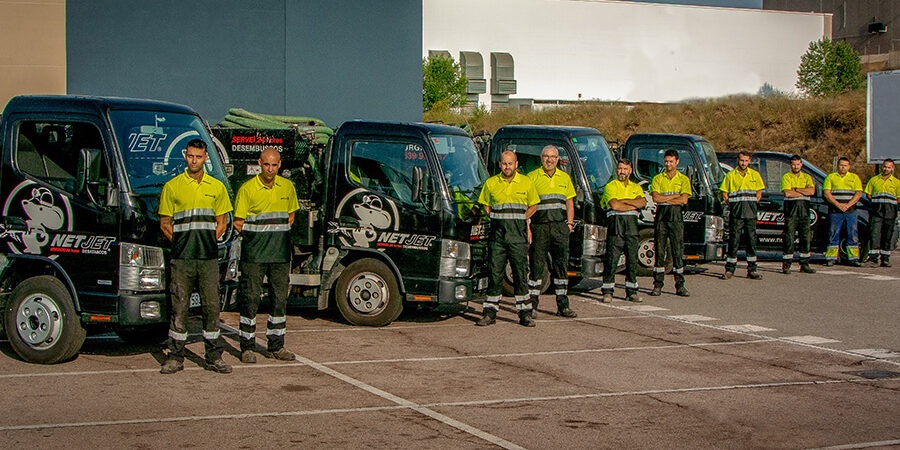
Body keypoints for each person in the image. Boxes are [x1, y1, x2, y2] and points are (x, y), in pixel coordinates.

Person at [158, 139, 233, 374]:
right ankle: (175, 356)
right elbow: (164, 224)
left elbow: (223, 222)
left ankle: (213, 356)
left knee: (211, 307)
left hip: (208, 259)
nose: (194, 161)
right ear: (185, 156)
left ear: (205, 158)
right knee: (179, 307)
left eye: (198, 157)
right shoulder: (172, 186)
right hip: (182, 259)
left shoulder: (217, 187)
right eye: (190, 156)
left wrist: (210, 240)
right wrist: (181, 242)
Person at [233, 147, 300, 363]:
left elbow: (291, 216)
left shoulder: (288, 187)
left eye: (274, 165)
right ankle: (247, 347)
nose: (270, 169)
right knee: (250, 299)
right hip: (254, 255)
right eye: (266, 164)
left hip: (280, 255)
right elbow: (238, 223)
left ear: (279, 165)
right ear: (259, 164)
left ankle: (276, 346)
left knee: (279, 300)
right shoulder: (247, 189)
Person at [477, 150, 540, 327]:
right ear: (499, 165)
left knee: (520, 275)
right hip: (497, 238)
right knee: (495, 275)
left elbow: (534, 205)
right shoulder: (491, 183)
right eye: (504, 163)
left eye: (510, 163)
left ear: (516, 164)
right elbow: (486, 206)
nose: (507, 167)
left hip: (517, 237)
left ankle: (525, 314)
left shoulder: (526, 182)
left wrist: (522, 219)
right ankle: (489, 313)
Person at [527, 145, 577, 318]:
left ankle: (563, 305)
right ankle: (531, 305)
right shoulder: (532, 177)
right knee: (536, 267)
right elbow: (527, 205)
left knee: (561, 267)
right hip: (539, 227)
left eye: (553, 157)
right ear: (541, 158)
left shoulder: (565, 177)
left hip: (559, 227)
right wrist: (528, 227)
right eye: (546, 156)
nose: (549, 160)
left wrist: (569, 224)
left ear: (557, 159)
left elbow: (569, 202)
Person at [600, 159, 646, 303]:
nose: (622, 172)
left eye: (625, 169)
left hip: (631, 229)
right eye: (620, 168)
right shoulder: (610, 186)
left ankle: (631, 291)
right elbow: (614, 205)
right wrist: (633, 204)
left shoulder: (636, 188)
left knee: (632, 260)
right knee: (612, 261)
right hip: (616, 228)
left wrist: (623, 202)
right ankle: (607, 291)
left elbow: (643, 202)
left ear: (630, 170)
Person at [649, 149, 691, 297]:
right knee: (660, 251)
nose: (668, 164)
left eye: (671, 161)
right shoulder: (658, 178)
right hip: (661, 218)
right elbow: (656, 198)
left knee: (677, 252)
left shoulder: (683, 179)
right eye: (666, 161)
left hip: (676, 218)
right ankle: (657, 285)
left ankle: (680, 285)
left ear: (677, 162)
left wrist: (665, 198)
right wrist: (674, 196)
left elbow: (684, 200)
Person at [720, 150, 765, 279]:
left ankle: (752, 270)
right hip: (736, 213)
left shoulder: (755, 175)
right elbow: (724, 194)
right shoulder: (730, 175)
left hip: (750, 213)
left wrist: (752, 204)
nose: (743, 163)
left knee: (751, 241)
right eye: (741, 160)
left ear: (749, 161)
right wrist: (733, 205)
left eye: (746, 161)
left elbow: (759, 193)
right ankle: (730, 269)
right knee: (734, 240)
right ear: (737, 161)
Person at [823, 156, 863, 267]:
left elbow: (858, 193)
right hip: (835, 211)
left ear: (849, 166)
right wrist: (838, 204)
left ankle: (854, 258)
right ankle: (831, 258)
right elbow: (827, 193)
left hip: (850, 211)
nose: (843, 167)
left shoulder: (854, 178)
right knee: (833, 233)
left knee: (853, 234)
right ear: (837, 166)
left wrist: (848, 205)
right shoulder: (831, 177)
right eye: (841, 165)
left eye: (845, 165)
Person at [780, 154, 817, 274]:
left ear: (801, 164)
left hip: (804, 212)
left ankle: (805, 264)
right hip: (791, 212)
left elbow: (811, 191)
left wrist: (795, 189)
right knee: (789, 238)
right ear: (790, 165)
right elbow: (787, 193)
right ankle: (787, 264)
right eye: (793, 164)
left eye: (798, 164)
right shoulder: (786, 177)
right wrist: (803, 191)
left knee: (805, 238)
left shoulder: (807, 177)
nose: (796, 166)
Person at [863, 158, 900, 267]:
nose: (886, 169)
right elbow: (868, 194)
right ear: (881, 167)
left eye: (889, 167)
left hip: (890, 212)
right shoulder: (874, 180)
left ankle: (885, 259)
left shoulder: (897, 182)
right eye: (884, 166)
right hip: (876, 212)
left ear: (892, 168)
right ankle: (874, 259)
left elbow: (898, 198)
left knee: (887, 236)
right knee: (875, 235)